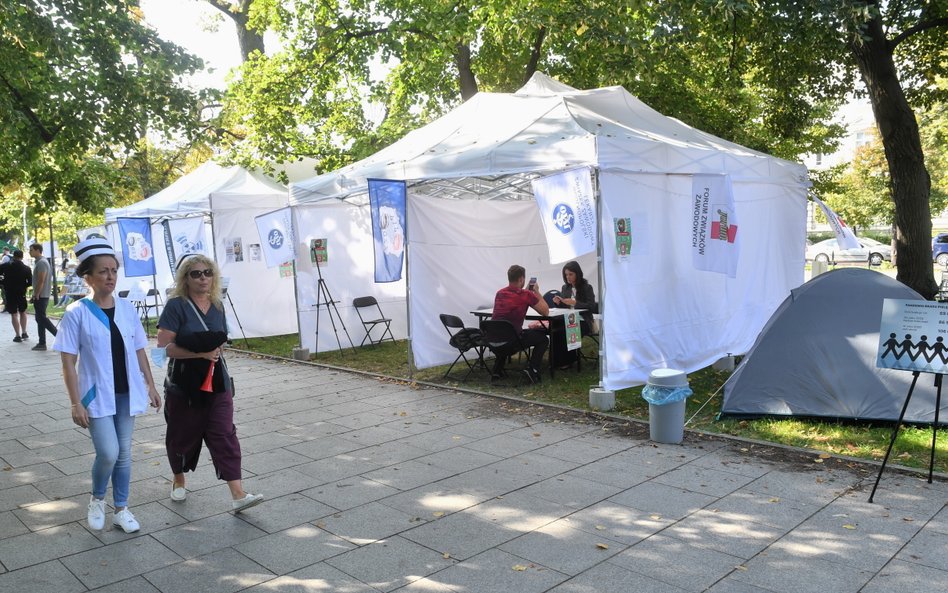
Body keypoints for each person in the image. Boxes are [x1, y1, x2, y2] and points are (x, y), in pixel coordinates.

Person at [53, 238, 162, 533]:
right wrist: (75, 403)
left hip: (127, 393)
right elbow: (68, 363)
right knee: (109, 453)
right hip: (95, 395)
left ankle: (122, 509)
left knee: (125, 453)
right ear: (87, 276)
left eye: (113, 270)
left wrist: (151, 385)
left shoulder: (127, 309)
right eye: (103, 271)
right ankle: (97, 498)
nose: (110, 276)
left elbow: (140, 349)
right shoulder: (76, 313)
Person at [156, 254, 263, 513]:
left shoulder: (217, 304)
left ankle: (238, 494)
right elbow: (162, 348)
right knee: (181, 436)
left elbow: (220, 339)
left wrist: (214, 350)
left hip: (217, 381)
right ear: (185, 278)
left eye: (207, 273)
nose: (203, 277)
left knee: (224, 434)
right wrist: (199, 353)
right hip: (184, 384)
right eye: (195, 273)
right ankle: (179, 478)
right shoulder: (176, 306)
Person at [491, 264, 550, 383]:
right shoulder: (526, 295)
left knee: (503, 331)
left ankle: (497, 370)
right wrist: (536, 292)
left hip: (493, 341)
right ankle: (533, 369)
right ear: (521, 279)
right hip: (512, 342)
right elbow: (545, 311)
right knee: (543, 339)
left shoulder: (500, 293)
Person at [551, 260, 597, 368]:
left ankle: (568, 360)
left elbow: (592, 306)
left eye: (571, 274)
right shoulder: (565, 288)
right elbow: (564, 307)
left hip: (583, 320)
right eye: (566, 274)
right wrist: (558, 302)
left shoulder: (587, 287)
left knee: (568, 329)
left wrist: (576, 303)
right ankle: (557, 361)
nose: (568, 277)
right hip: (569, 318)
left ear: (577, 273)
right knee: (555, 329)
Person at [29, 243, 58, 351]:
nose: (29, 252)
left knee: (41, 318)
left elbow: (41, 280)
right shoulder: (40, 262)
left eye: (31, 250)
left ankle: (60, 337)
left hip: (42, 295)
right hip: (41, 295)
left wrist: (36, 294)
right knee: (39, 318)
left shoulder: (42, 262)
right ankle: (42, 342)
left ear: (38, 250)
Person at [1, 250, 32, 342]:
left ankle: (17, 335)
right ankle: (24, 332)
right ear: (22, 257)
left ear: (13, 256)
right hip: (21, 292)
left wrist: (2, 283)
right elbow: (30, 282)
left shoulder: (5, 266)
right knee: (23, 312)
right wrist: (23, 286)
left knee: (14, 314)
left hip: (10, 292)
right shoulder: (26, 268)